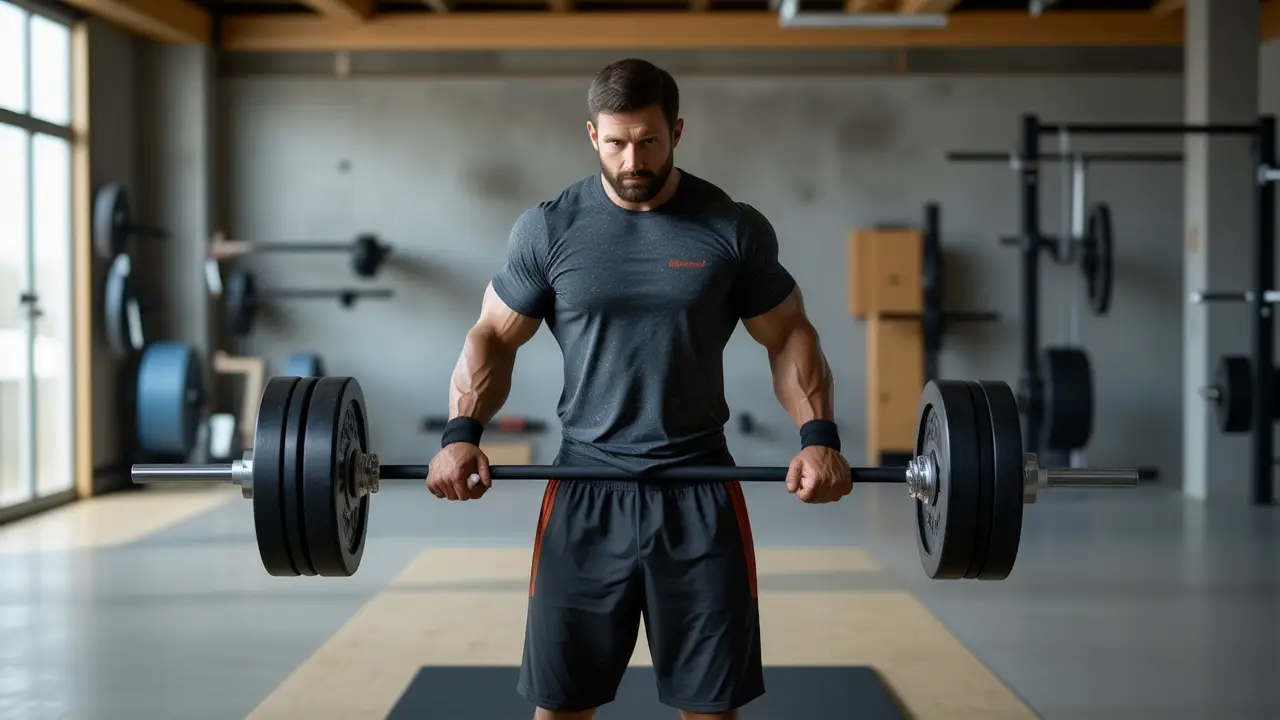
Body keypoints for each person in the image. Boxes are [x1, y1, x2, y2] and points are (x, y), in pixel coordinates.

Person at [425, 58, 852, 720]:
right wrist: (460, 435)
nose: (633, 158)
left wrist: (818, 438)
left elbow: (789, 333)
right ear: (591, 135)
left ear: (676, 131)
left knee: (710, 709)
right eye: (617, 141)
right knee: (560, 705)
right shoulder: (550, 228)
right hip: (585, 488)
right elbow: (492, 336)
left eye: (648, 140)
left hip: (699, 488)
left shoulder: (730, 227)